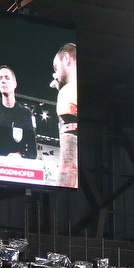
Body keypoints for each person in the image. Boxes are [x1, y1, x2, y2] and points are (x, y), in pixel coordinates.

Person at [0, 65, 36, 159]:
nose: (3, 81)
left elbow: (32, 151)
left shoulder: (25, 114)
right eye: (0, 78)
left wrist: (20, 155)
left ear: (15, 83)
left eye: (7, 78)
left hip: (15, 170)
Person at [51, 43, 77, 187]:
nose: (55, 74)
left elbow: (69, 164)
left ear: (66, 57)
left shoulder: (67, 92)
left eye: (56, 67)